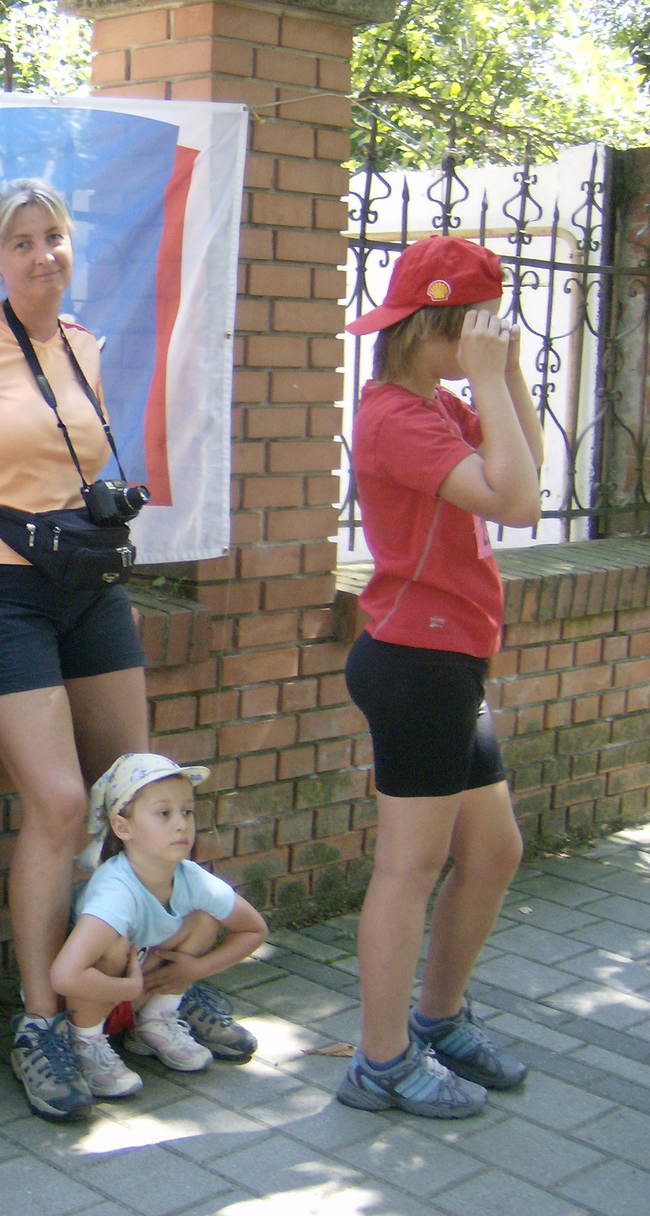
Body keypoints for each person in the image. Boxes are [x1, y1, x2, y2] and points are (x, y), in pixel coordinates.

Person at [0, 179, 252, 1122]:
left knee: (142, 790)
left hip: (84, 589)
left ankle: (152, 989)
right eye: (23, 241)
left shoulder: (79, 345)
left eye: (56, 238)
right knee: (57, 803)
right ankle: (43, 1023)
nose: (43, 254)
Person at [337, 235, 542, 1118]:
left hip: (449, 659)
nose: (492, 339)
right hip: (416, 663)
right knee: (408, 870)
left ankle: (438, 1018)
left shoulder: (434, 402)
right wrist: (488, 382)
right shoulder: (398, 417)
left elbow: (522, 459)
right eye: (483, 325)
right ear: (440, 325)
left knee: (493, 851)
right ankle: (379, 1062)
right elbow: (519, 503)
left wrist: (507, 377)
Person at [49, 754, 268, 1095]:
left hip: (137, 990)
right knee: (113, 944)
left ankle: (154, 1022)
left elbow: (255, 929)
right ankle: (85, 1046)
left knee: (203, 917)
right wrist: (128, 989)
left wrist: (196, 969)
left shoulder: (190, 878)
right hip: (86, 1002)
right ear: (124, 827)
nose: (181, 824)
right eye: (164, 813)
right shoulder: (115, 891)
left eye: (187, 812)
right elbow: (64, 975)